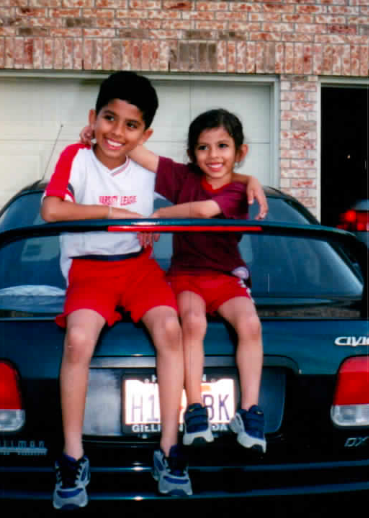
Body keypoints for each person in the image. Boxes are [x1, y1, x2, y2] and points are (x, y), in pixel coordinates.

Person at [41, 71, 190, 509]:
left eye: (131, 125)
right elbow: (51, 208)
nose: (116, 131)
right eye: (109, 118)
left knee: (170, 329)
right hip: (90, 271)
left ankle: (169, 450)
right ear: (93, 117)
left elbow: (208, 182)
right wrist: (111, 212)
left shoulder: (148, 167)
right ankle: (72, 457)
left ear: (145, 134)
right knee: (78, 340)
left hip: (139, 271)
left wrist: (157, 219)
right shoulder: (76, 156)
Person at [84, 108, 267, 453]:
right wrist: (101, 133)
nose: (213, 155)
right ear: (191, 154)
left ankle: (249, 411)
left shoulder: (237, 193)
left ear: (240, 152)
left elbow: (203, 211)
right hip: (185, 277)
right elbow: (135, 151)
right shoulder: (183, 178)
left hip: (226, 279)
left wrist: (158, 216)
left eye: (223, 146)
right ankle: (196, 409)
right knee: (192, 322)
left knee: (250, 324)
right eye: (203, 148)